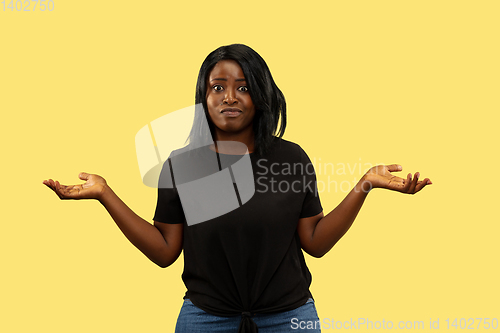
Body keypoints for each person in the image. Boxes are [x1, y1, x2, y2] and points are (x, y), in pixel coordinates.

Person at [43, 44, 431, 333]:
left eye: (243, 88)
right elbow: (164, 251)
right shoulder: (182, 165)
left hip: (289, 318)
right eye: (218, 87)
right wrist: (105, 194)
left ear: (260, 97)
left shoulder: (291, 158)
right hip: (205, 318)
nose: (229, 97)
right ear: (204, 98)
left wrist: (364, 185)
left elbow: (314, 241)